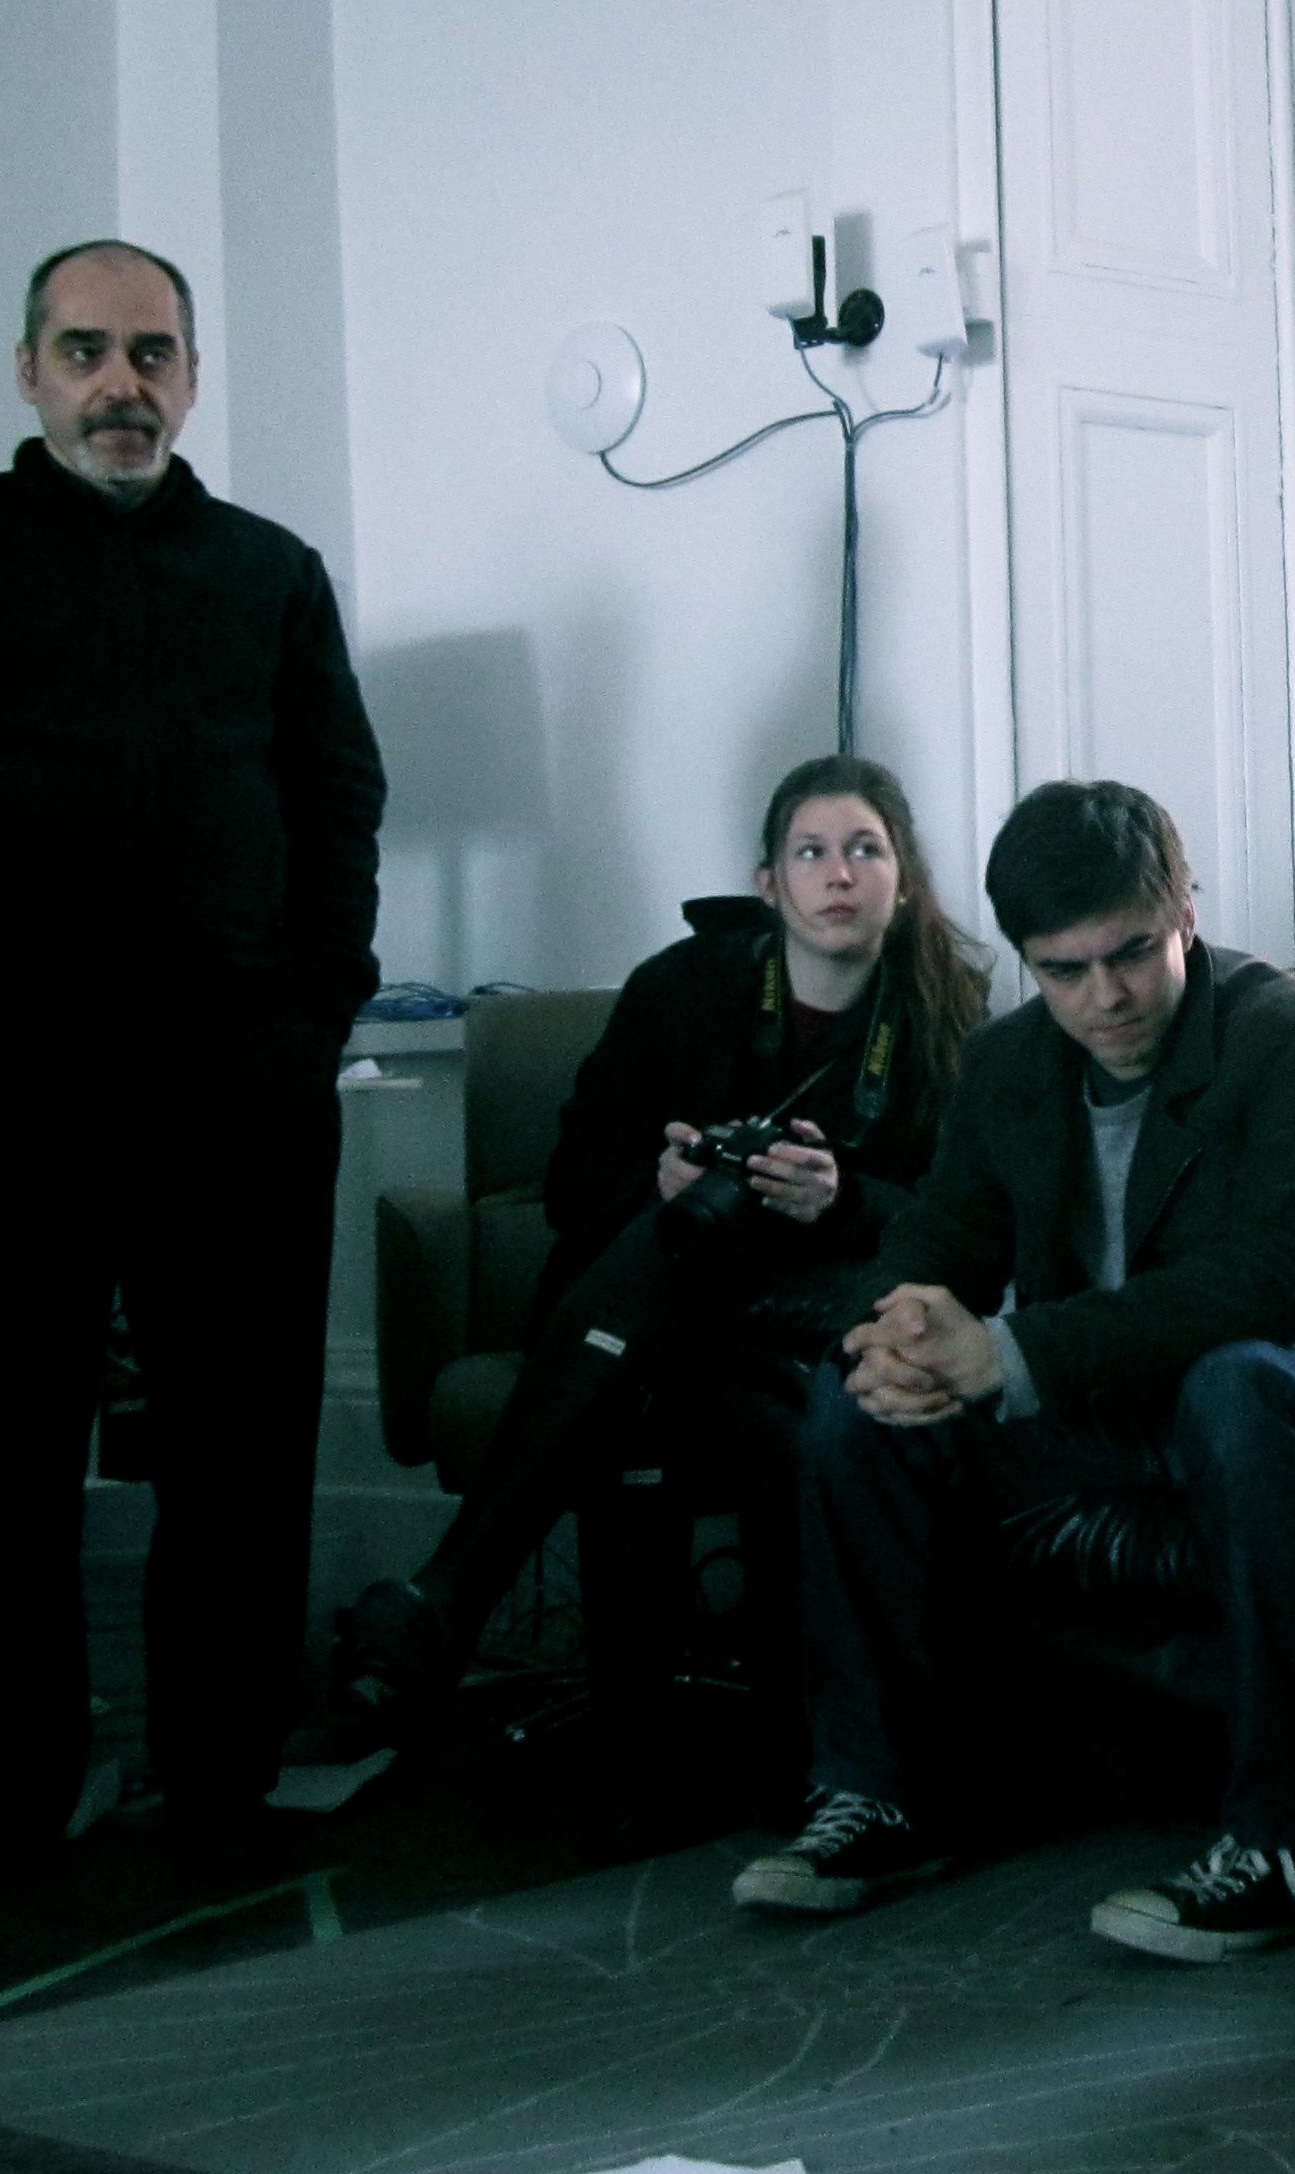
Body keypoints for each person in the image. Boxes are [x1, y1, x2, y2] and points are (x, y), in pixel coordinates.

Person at [0, 240, 386, 1893]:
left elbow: (340, 798)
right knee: (0, 1452)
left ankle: (220, 1788)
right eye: (85, 350)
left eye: (153, 352)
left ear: (191, 378)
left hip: (239, 1075)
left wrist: (317, 1010)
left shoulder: (270, 571)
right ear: (28, 371)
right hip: (12, 1064)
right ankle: (9, 1787)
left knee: (241, 1448)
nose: (121, 383)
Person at [737, 779, 1295, 1957]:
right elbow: (935, 1243)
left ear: (1185, 910)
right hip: (1099, 1410)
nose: (1104, 998)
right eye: (1063, 971)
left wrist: (1011, 1352)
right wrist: (893, 1337)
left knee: (1237, 1379)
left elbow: (1288, 1278)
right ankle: (882, 1797)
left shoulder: (1284, 1036)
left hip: (1279, 1405)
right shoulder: (1011, 1063)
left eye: (1130, 955)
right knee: (855, 1403)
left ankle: (1291, 1842)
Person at [328, 755, 984, 1840]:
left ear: (904, 881)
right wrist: (664, 1180)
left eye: (865, 850)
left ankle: (451, 1596)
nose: (838, 875)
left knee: (731, 1361)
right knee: (685, 1262)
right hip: (659, 1317)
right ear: (768, 882)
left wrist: (840, 1198)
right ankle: (787, 1755)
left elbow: (963, 1221)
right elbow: (571, 1182)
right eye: (811, 852)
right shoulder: (682, 989)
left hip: (803, 1312)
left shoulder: (947, 1017)